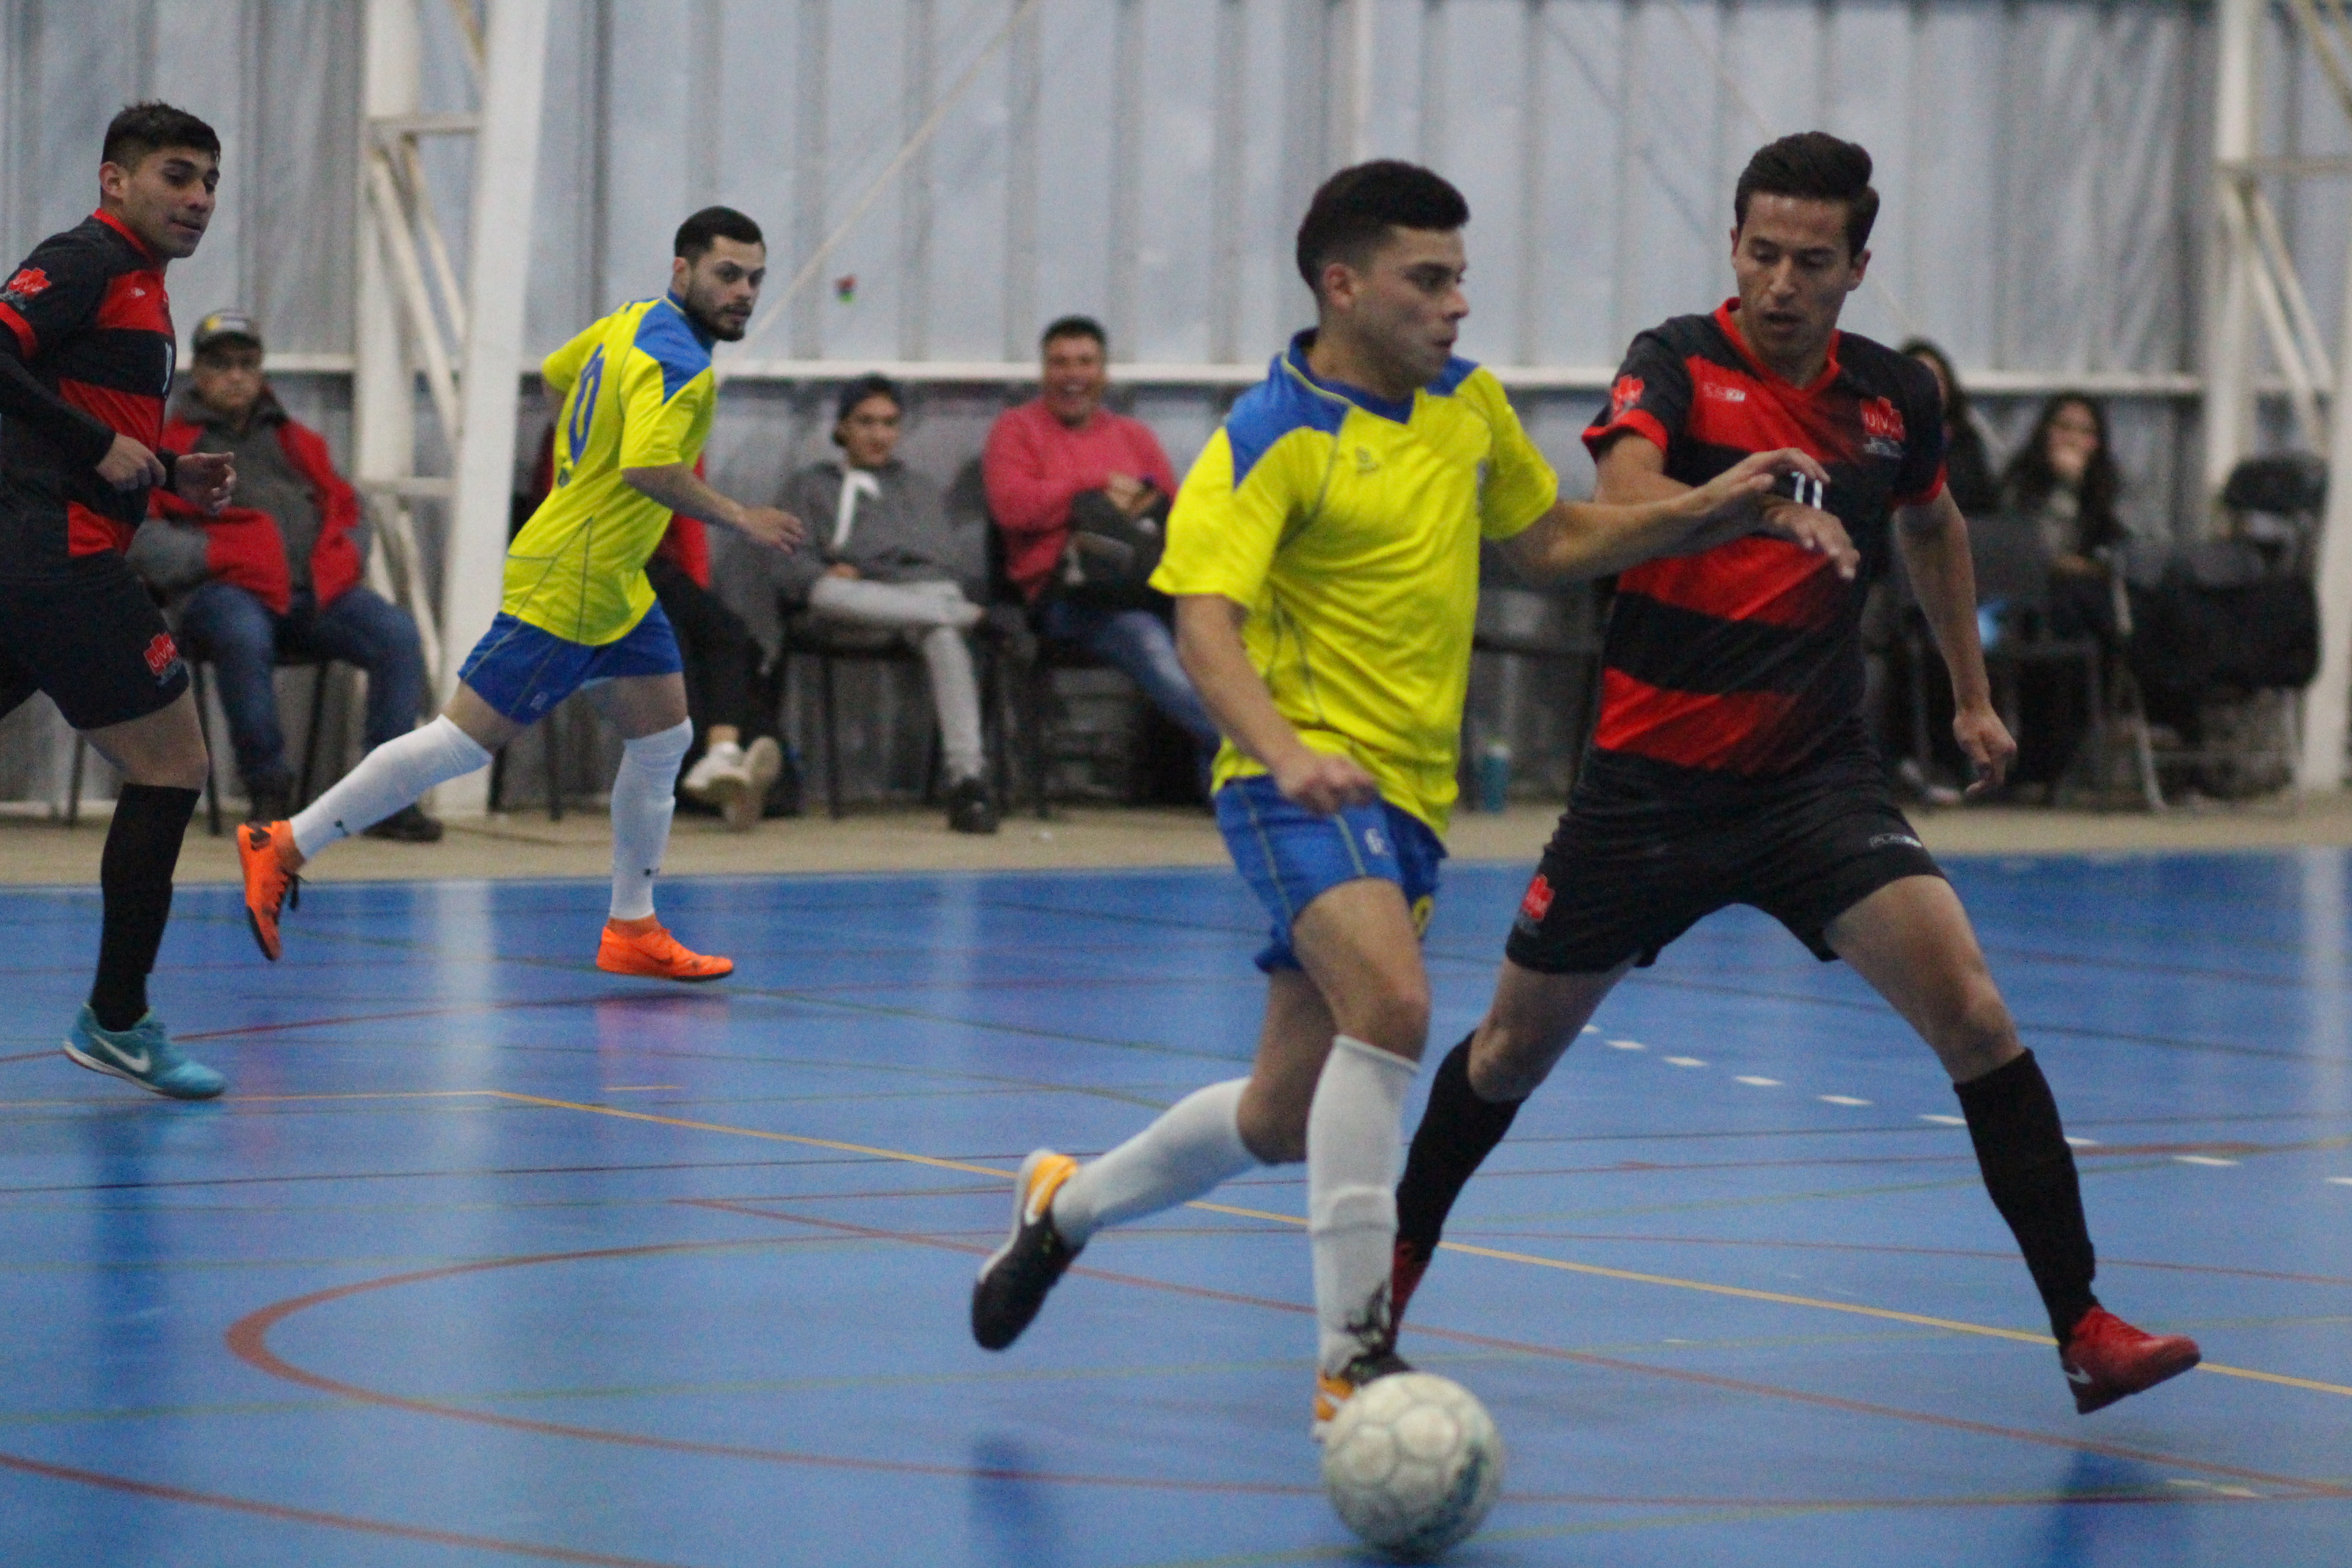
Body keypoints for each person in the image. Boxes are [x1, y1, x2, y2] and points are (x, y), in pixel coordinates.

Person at [966, 161, 1823, 1433]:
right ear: (1344, 285)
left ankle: (1064, 1204)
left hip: (1408, 798)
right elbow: (1203, 626)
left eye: (1461, 277)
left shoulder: (1466, 407)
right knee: (1397, 1006)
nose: (1457, 302)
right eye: (1429, 279)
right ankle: (1352, 1359)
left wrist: (1714, 508)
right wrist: (1282, 751)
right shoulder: (1272, 432)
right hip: (1296, 784)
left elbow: (1551, 541)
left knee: (1281, 1115)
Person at [1386, 133, 2200, 1418]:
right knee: (1504, 1055)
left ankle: (2084, 1328)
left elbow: (1931, 524)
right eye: (1761, 252)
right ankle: (1378, 1293)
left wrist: (1971, 695)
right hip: (1646, 793)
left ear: (1856, 267)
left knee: (1976, 1015)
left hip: (1812, 785)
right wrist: (1751, 503)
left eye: (1811, 261)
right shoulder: (1673, 361)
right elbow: (1625, 490)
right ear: (1733, 247)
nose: (1780, 281)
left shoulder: (1893, 397)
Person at [233, 207, 804, 977]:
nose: (743, 293)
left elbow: (559, 376)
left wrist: (582, 466)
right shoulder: (679, 364)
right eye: (727, 275)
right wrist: (739, 516)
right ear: (683, 271)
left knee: (665, 738)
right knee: (460, 743)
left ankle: (633, 926)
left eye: (754, 279)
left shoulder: (633, 320)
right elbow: (647, 468)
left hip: (615, 581)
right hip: (573, 577)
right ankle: (285, 843)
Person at [0, 103, 238, 1098]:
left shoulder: (141, 285)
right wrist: (99, 446)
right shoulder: (87, 260)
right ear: (115, 180)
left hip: (37, 553)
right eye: (177, 176)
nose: (200, 199)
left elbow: (69, 419)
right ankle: (118, 1018)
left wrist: (169, 470)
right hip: (60, 558)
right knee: (173, 763)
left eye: (210, 182)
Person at [129, 308, 439, 838]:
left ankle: (386, 798)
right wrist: (215, 556)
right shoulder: (170, 444)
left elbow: (350, 511)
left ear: (260, 370)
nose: (236, 376)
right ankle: (268, 786)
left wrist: (343, 561)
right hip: (222, 594)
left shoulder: (300, 442)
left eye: (247, 363)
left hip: (313, 595)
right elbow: (140, 537)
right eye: (221, 364)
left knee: (396, 633)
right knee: (242, 632)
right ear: (198, 372)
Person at [758, 374, 998, 834]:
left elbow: (939, 563)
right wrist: (846, 570)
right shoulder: (811, 487)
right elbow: (791, 570)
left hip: (918, 602)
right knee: (828, 592)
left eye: (889, 423)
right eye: (866, 422)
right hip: (847, 605)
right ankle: (974, 618)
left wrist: (862, 565)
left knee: (942, 632)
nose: (878, 434)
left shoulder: (919, 488)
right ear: (842, 427)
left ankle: (967, 778)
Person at [983, 316, 1220, 765]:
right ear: (1044, 372)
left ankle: (1232, 783)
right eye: (1060, 363)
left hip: (1145, 587)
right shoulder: (1016, 429)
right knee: (1147, 640)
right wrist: (1096, 487)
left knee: (1219, 639)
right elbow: (1013, 508)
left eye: (1085, 362)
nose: (1073, 375)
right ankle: (1262, 758)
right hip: (1066, 597)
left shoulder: (1134, 436)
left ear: (1104, 373)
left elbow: (1171, 517)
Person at [1995, 392, 2127, 788]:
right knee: (2071, 605)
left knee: (2089, 608)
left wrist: (2081, 491)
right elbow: (2025, 548)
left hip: (2085, 604)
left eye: (2084, 431)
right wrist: (2063, 489)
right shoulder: (2021, 482)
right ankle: (2041, 761)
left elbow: (2119, 549)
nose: (2072, 439)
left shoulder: (2105, 486)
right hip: (2026, 602)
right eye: (2064, 427)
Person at [1899, 339, 1998, 517]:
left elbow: (1985, 507)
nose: (1928, 386)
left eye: (1937, 378)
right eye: (1917, 377)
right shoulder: (1878, 443)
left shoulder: (1966, 444)